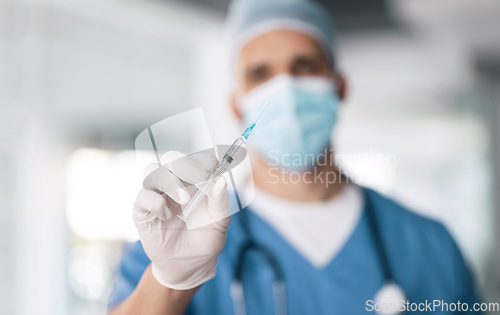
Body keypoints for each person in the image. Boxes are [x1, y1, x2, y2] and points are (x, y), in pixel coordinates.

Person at [108, 0, 481, 314]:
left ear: (339, 87)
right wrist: (169, 283)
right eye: (260, 73)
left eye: (304, 66)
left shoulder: (429, 245)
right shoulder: (177, 240)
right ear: (237, 106)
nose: (284, 88)